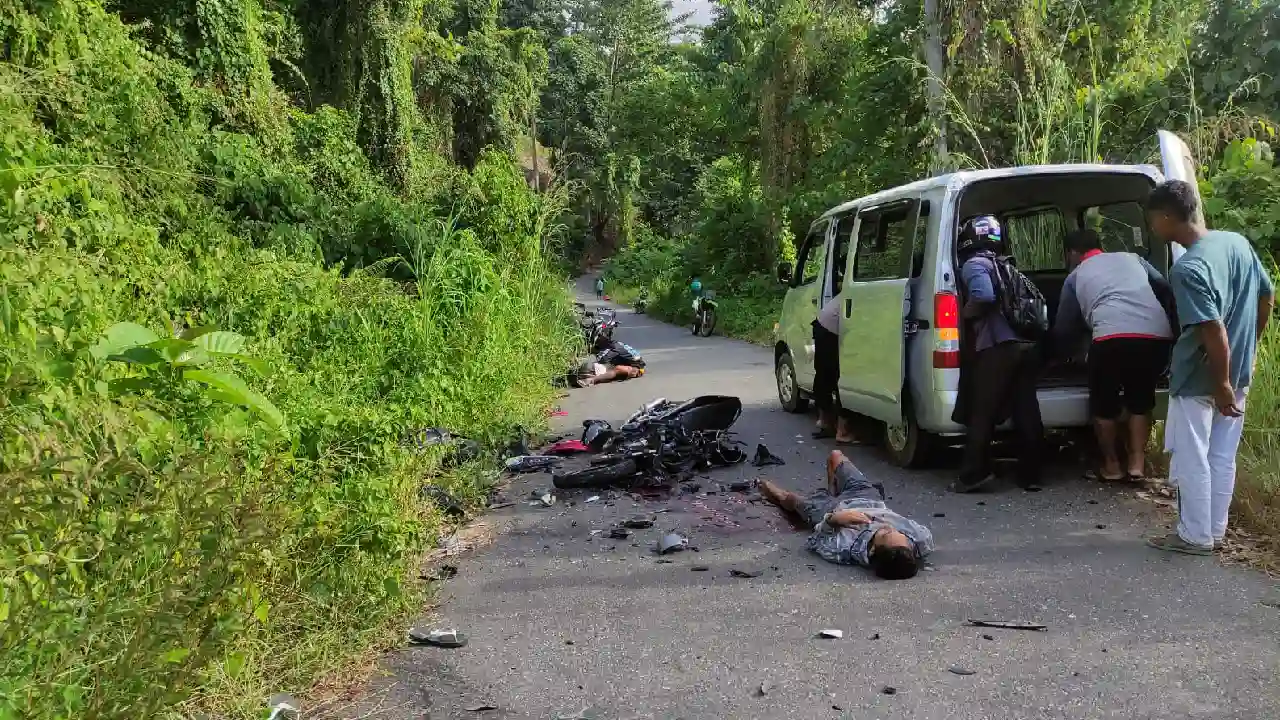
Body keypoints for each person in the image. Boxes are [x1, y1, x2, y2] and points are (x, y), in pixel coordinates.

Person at [1144, 180, 1274, 555]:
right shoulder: (1236, 243)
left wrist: (1222, 382)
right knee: (1221, 455)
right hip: (1236, 372)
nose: (1153, 227)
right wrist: (1249, 350)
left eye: (1153, 220)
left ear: (1166, 217)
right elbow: (1267, 296)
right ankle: (1215, 531)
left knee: (1192, 455)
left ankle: (1194, 536)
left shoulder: (1188, 268)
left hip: (1201, 378)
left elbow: (1212, 328)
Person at [1052, 228, 1175, 482]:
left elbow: (1064, 328)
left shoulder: (1075, 276)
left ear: (1072, 253)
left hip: (1110, 339)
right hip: (1155, 337)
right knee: (1140, 400)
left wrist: (1061, 357)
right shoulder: (1134, 259)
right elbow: (1164, 287)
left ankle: (1112, 466)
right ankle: (1137, 464)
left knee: (1104, 406)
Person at [954, 215, 1045, 493]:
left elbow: (983, 295)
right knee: (1026, 408)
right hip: (1026, 344)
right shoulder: (1007, 264)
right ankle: (1031, 475)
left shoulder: (974, 264)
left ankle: (974, 474)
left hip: (999, 346)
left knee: (981, 410)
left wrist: (963, 314)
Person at [759, 450, 934, 580]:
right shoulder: (919, 539)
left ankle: (760, 483)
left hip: (828, 510)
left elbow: (814, 541)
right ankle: (832, 491)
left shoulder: (845, 549)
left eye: (885, 534)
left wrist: (834, 520)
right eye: (899, 533)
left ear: (873, 550)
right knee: (835, 455)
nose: (888, 526)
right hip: (867, 497)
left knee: (787, 499)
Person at [812, 296, 854, 442]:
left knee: (823, 375)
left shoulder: (852, 290)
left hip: (822, 325)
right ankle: (842, 432)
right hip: (830, 331)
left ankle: (825, 422)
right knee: (842, 376)